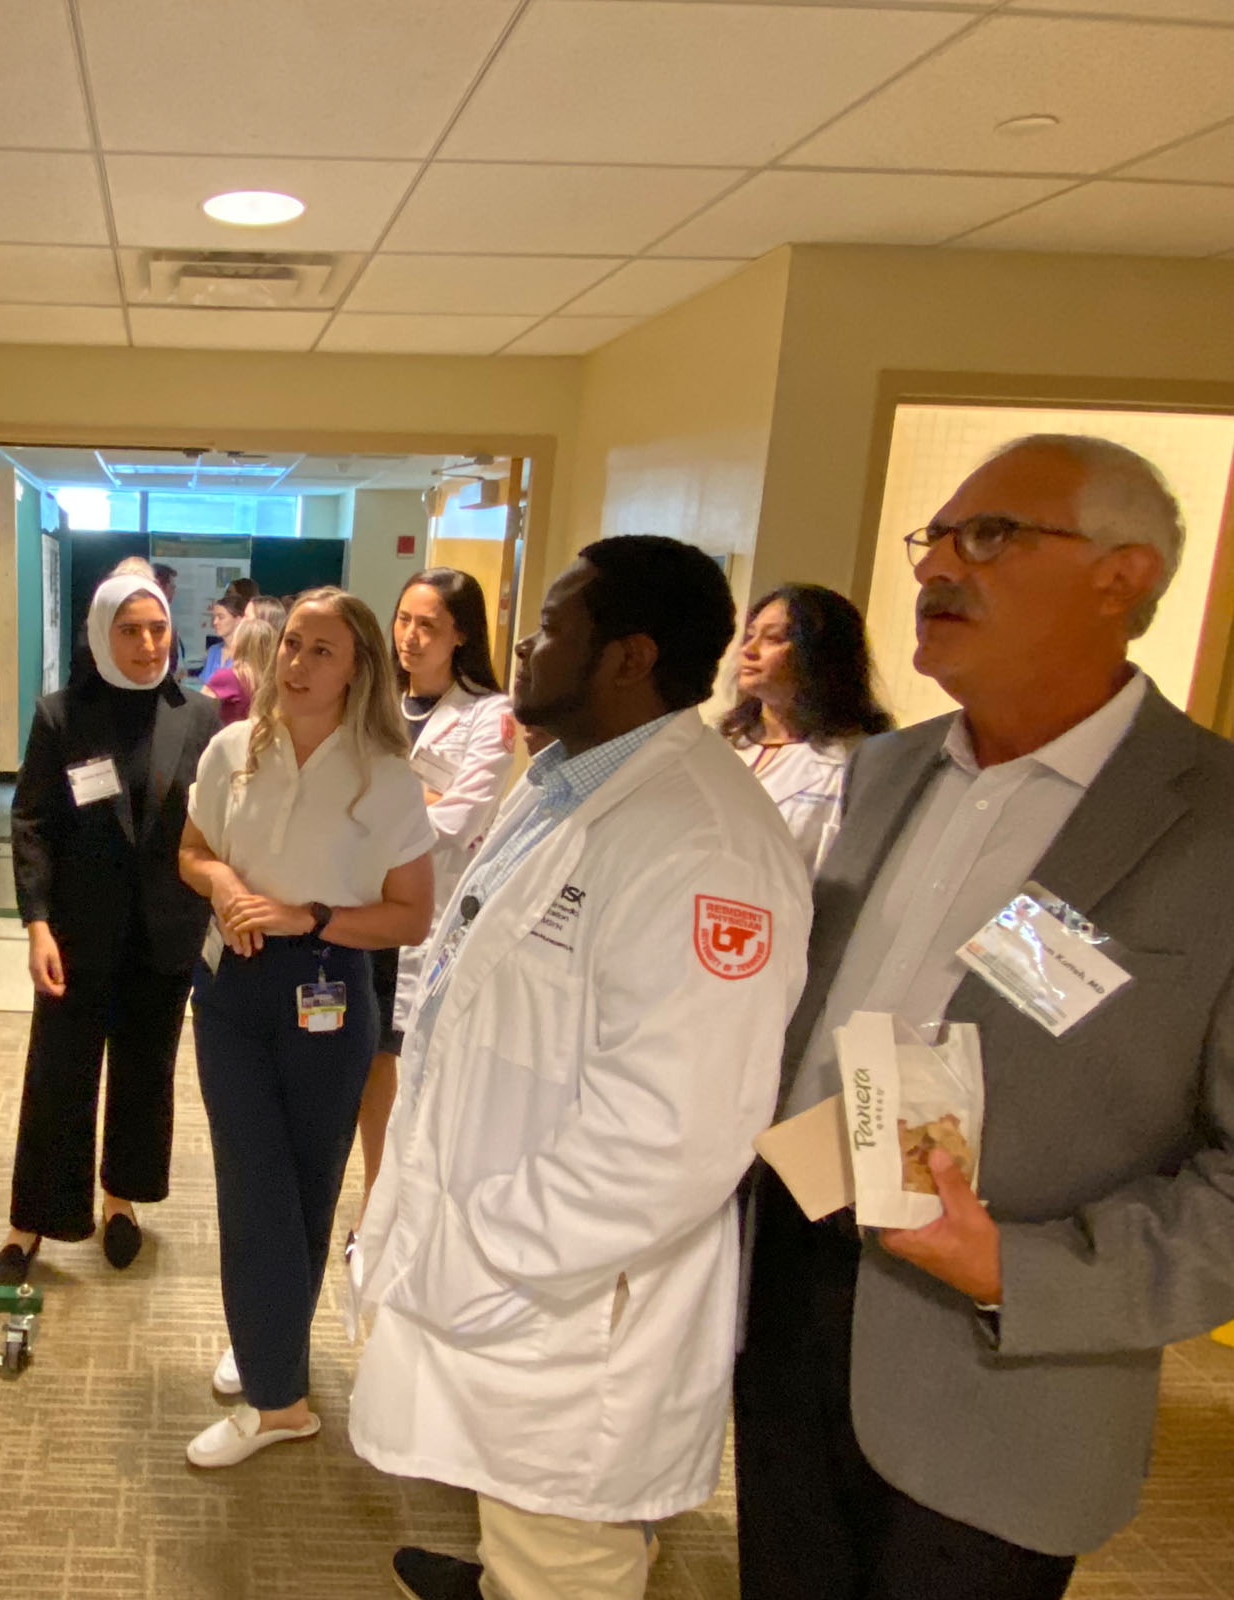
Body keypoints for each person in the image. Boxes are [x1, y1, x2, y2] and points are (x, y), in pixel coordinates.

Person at [736, 434, 1234, 1600]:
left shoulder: (1213, 825)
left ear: (1125, 574)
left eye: (991, 536)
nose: (937, 568)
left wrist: (1015, 1267)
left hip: (1007, 1366)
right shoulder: (887, 772)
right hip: (797, 1290)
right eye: (936, 539)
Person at [350, 536, 813, 1600]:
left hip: (566, 1287)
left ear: (628, 656)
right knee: (521, 1521)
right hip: (512, 1251)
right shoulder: (564, 779)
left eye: (553, 623)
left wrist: (482, 1238)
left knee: (569, 1554)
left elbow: (675, 1132)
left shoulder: (705, 844)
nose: (523, 641)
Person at [177, 588, 436, 1468]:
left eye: (322, 651)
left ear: (359, 666)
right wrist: (219, 884)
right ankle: (274, 1370)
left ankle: (272, 1367)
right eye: (291, 644)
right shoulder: (229, 750)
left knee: (306, 1183)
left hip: (326, 990)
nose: (296, 662)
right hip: (230, 993)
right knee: (251, 1180)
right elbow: (190, 849)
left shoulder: (386, 774)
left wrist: (310, 917)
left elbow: (409, 918)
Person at [0, 571, 221, 1285]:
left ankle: (121, 1199)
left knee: (143, 1075)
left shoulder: (200, 715)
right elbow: (31, 823)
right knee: (58, 1074)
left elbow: (216, 821)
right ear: (100, 635)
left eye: (157, 629)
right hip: (76, 934)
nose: (148, 644)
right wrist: (35, 923)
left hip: (164, 933)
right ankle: (33, 1219)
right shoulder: (62, 715)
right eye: (130, 630)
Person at [359, 569, 511, 1216]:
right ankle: (372, 1201)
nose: (409, 638)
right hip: (362, 903)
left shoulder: (488, 714)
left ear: (460, 635)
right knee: (369, 1060)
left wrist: (378, 806)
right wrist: (408, 802)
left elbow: (458, 820)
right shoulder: (371, 701)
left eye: (427, 626)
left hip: (431, 910)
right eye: (402, 620)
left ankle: (408, 1204)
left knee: (417, 1062)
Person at [720, 584, 893, 873]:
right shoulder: (722, 747)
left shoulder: (858, 763)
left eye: (773, 638)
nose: (749, 650)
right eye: (749, 635)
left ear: (820, 657)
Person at [205, 613, 276, 725]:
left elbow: (198, 709)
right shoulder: (274, 682)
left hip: (227, 740)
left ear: (239, 644)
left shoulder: (228, 677)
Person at [199, 577, 260, 683]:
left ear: (239, 619)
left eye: (221, 617)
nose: (215, 622)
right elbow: (202, 683)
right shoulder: (213, 651)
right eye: (214, 617)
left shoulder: (249, 654)